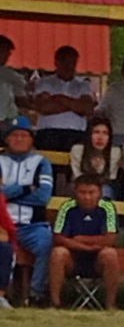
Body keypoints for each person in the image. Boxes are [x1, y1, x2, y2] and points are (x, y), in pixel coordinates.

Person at [46, 174, 124, 309]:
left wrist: (80, 239)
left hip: (97, 260)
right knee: (58, 253)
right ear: (75, 193)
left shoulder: (108, 207)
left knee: (110, 254)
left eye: (91, 192)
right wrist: (85, 246)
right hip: (73, 258)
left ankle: (110, 305)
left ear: (100, 193)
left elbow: (110, 239)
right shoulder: (67, 207)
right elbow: (58, 237)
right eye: (82, 192)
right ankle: (55, 303)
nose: (87, 197)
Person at [3, 117, 57, 303]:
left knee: (47, 244)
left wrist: (7, 193)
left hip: (32, 226)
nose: (19, 139)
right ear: (6, 139)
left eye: (24, 135)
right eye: (15, 135)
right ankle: (2, 294)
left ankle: (36, 295)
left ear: (31, 139)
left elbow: (43, 197)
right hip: (2, 223)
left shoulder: (41, 163)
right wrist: (26, 188)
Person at [26, 45, 96, 152]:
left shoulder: (83, 85)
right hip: (48, 134)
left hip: (76, 134)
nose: (69, 66)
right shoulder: (44, 82)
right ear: (56, 62)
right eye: (65, 61)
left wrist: (59, 98)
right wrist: (75, 104)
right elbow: (44, 108)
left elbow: (87, 109)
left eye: (72, 62)